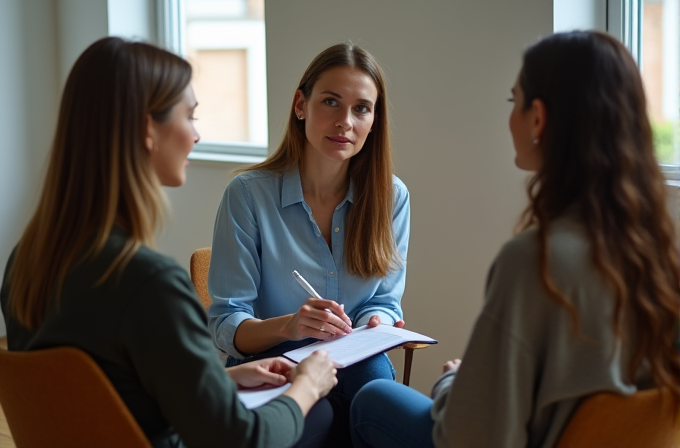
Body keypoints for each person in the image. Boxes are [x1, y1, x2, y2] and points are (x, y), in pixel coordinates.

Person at [0, 36, 339, 448]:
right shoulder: (147, 282)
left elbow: (102, 395)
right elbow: (242, 440)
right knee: (318, 411)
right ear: (148, 128)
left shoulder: (26, 262)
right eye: (190, 116)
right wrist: (306, 386)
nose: (196, 135)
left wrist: (221, 379)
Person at [350, 30, 680, 448]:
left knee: (373, 398)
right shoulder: (656, 253)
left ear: (538, 117)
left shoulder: (535, 262)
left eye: (514, 101)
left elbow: (472, 437)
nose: (511, 115)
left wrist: (451, 383)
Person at [207, 42, 410, 411]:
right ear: (301, 105)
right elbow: (226, 324)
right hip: (270, 359)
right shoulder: (248, 195)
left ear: (373, 120)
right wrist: (291, 326)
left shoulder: (391, 197)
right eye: (331, 102)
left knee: (377, 394)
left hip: (354, 361)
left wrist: (377, 322)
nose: (345, 122)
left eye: (361, 109)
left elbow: (383, 301)